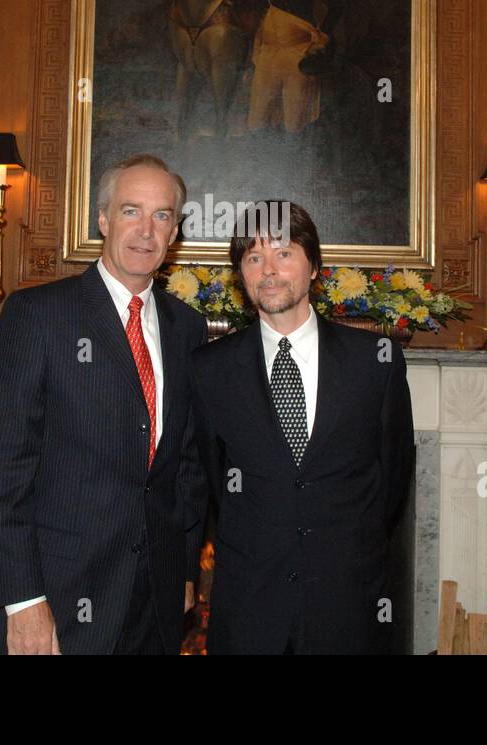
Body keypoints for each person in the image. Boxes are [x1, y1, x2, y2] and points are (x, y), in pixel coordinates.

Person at [0, 153, 208, 654]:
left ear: (174, 233)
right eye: (131, 211)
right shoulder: (38, 314)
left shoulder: (186, 328)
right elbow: (2, 470)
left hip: (155, 605)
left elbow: (187, 468)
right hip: (57, 601)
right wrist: (21, 601)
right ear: (102, 220)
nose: (146, 230)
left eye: (162, 216)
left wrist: (185, 572)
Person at [189, 201, 414, 653]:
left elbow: (390, 479)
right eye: (254, 258)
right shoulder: (210, 369)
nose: (268, 270)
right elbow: (209, 479)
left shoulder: (375, 361)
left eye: (283, 253)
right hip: (250, 606)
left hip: (349, 604)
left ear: (314, 267)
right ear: (241, 275)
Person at [242, 0, 342, 133]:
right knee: (257, 120)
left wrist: (321, 38)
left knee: (295, 121)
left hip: (297, 52)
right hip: (267, 53)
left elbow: (335, 5)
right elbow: (246, 6)